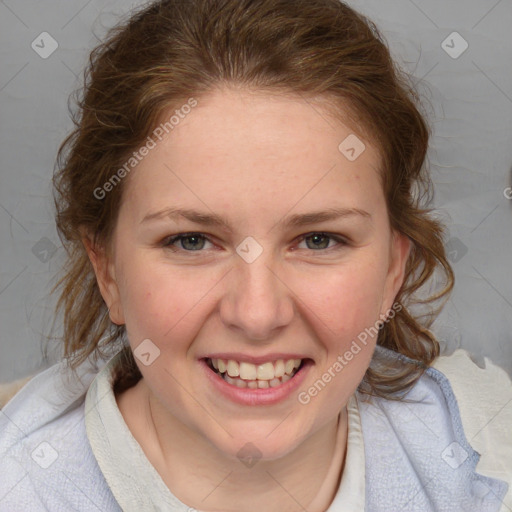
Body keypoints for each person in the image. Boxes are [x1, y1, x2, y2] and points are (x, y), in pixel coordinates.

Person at [0, 0, 511, 510]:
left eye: (318, 240)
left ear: (392, 273)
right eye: (192, 241)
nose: (258, 314)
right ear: (107, 271)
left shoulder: (491, 442)